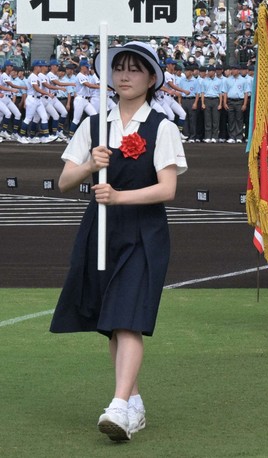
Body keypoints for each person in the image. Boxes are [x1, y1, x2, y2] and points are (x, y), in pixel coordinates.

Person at [50, 41, 187, 441]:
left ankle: (118, 405)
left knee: (128, 316)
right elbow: (64, 181)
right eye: (118, 69)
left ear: (151, 79)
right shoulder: (94, 124)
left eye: (134, 69)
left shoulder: (163, 126)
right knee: (111, 322)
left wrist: (120, 196)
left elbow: (168, 189)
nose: (124, 76)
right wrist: (92, 165)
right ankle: (133, 402)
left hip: (144, 232)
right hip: (100, 230)